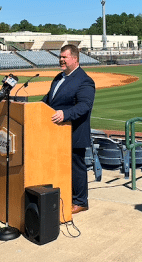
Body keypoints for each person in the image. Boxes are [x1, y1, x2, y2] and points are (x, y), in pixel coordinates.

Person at [42, 44, 95, 214]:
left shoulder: (84, 80)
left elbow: (84, 106)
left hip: (74, 132)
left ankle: (81, 201)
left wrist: (65, 114)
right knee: (59, 165)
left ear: (75, 59)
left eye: (65, 57)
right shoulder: (59, 77)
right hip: (56, 132)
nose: (61, 60)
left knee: (76, 167)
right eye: (60, 57)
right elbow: (49, 99)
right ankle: (63, 193)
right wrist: (35, 107)